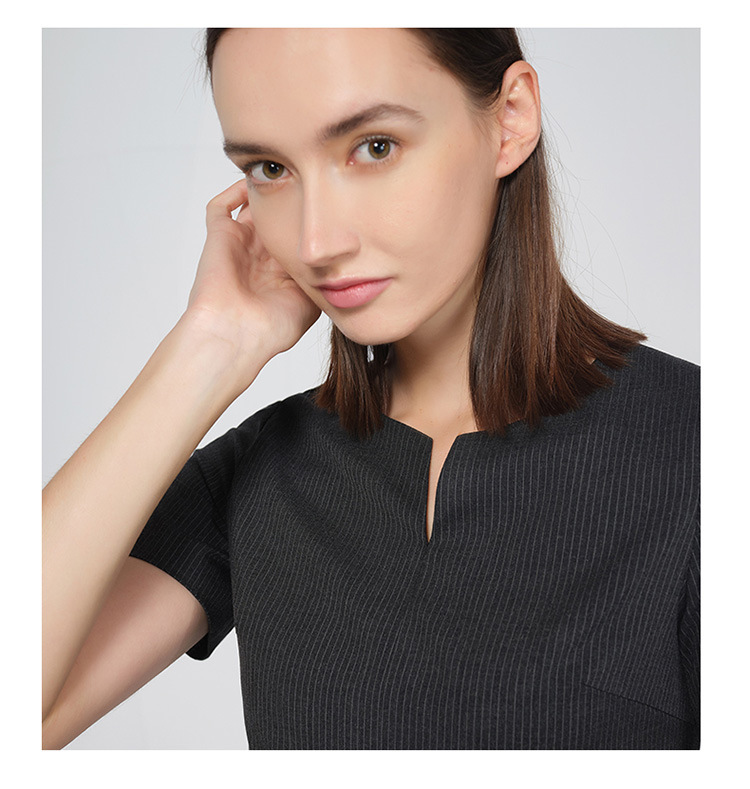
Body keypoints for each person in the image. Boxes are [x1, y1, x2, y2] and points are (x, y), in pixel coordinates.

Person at [42, 28, 699, 750]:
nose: (316, 242)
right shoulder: (259, 473)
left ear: (511, 118)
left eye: (375, 147)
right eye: (270, 168)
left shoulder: (700, 450)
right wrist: (210, 345)